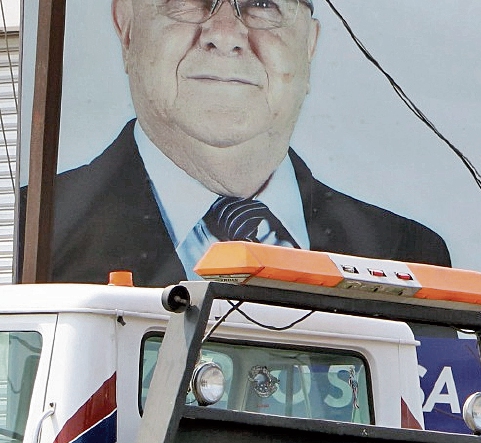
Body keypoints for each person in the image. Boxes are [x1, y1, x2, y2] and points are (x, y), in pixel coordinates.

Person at [42, 0, 449, 285]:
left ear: (309, 45)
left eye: (263, 2)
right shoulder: (29, 237)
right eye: (190, 0)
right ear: (126, 26)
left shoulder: (408, 254)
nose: (224, 34)